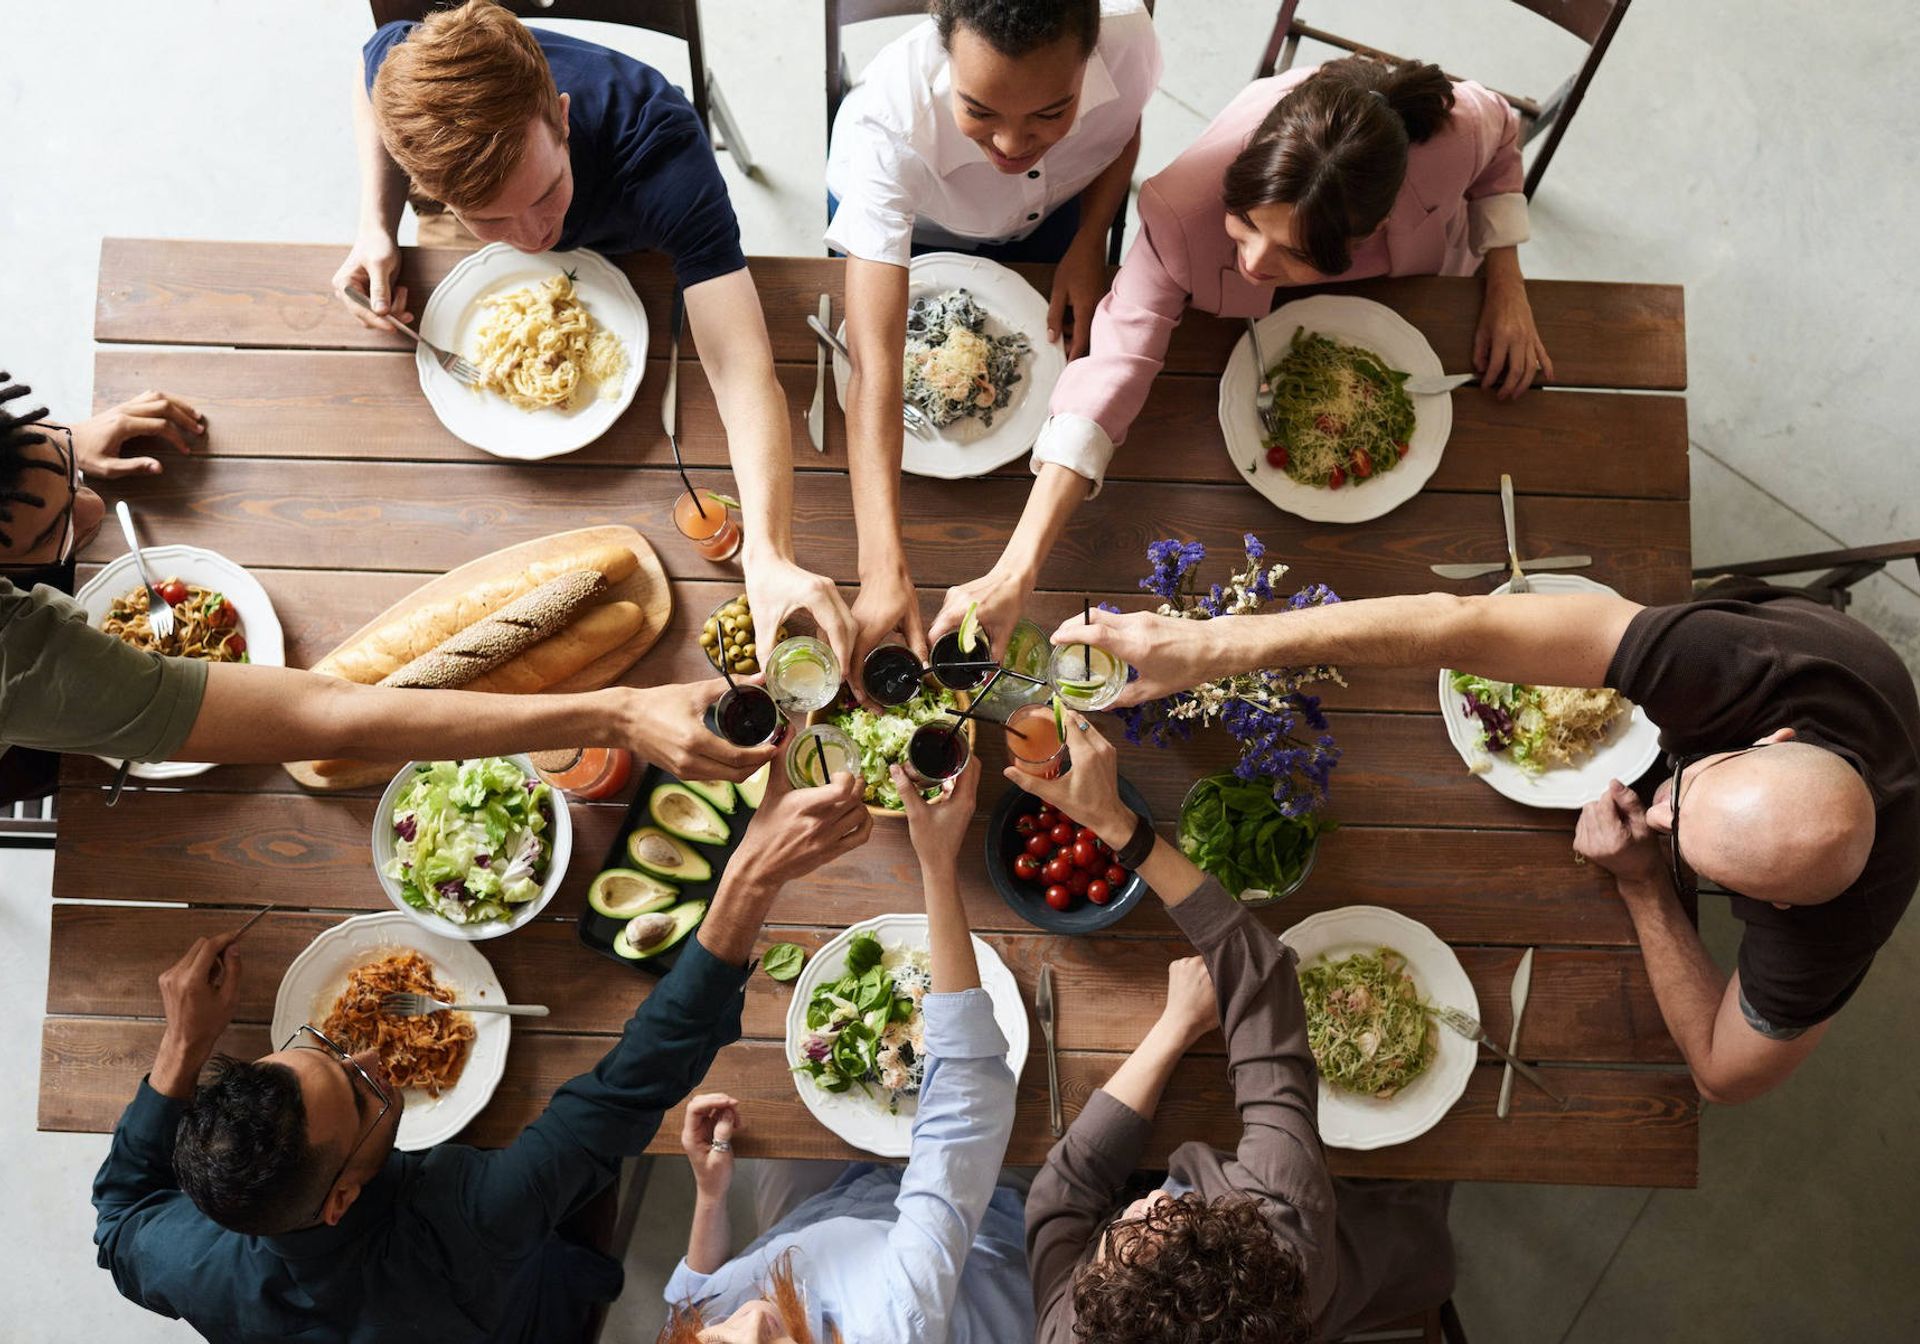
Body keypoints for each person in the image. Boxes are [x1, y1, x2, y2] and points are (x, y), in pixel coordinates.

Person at [1049, 578, 1920, 1104]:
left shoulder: (1835, 930)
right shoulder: (1740, 667)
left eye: (1680, 841)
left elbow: (1723, 1076)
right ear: (1771, 740)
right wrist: (1214, 644)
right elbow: (1459, 622)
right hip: (1787, 642)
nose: (1652, 814)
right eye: (1681, 796)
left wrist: (1645, 886)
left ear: (1771, 907)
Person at [92, 766, 874, 1343]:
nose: (370, 1056)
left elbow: (118, 1217)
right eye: (364, 1096)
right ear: (337, 1200)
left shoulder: (190, 1259)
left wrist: (183, 1045)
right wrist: (751, 875)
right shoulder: (467, 1222)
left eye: (325, 1051)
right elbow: (634, 1082)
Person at [932, 55, 1549, 663]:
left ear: (1372, 230)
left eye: (1293, 253)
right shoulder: (1181, 209)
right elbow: (1114, 363)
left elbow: (1502, 142)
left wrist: (1506, 278)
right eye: (1247, 223)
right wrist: (1016, 568)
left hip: (1416, 301)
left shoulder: (1455, 136)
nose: (1253, 262)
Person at [332, 0, 853, 670]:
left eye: (545, 193)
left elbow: (740, 362)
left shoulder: (661, 150)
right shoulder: (414, 79)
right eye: (490, 220)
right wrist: (375, 223)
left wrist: (768, 552)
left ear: (563, 118)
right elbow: (371, 58)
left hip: (636, 247)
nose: (532, 240)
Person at [0, 376, 779, 793]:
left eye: (68, 473)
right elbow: (330, 718)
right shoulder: (17, 664)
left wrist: (48, 455)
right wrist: (622, 716)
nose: (100, 510)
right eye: (55, 536)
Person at [1017, 718, 1453, 1341]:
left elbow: (1061, 1194)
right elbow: (1263, 977)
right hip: (1380, 1247)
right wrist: (1120, 827)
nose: (1144, 1204)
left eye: (1118, 1239)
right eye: (1166, 1222)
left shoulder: (1074, 1330)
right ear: (1236, 1243)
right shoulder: (1286, 1230)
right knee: (1411, 1209)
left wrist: (1173, 1029)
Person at [828, 0, 1159, 682]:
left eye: (1050, 113)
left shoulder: (1129, 39)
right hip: (920, 223)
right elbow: (877, 372)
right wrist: (880, 568)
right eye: (980, 111)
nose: (1012, 145)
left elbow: (1122, 131)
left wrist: (1090, 240)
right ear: (943, 48)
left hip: (1059, 215)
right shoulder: (886, 127)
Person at [658, 757, 1032, 1342]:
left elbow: (692, 1300)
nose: (753, 1318)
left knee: (780, 1121)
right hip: (986, 1235)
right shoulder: (894, 1320)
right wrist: (936, 863)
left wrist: (711, 1197)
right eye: (771, 1342)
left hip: (830, 1217)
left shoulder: (710, 1324)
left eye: (720, 1339)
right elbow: (965, 1108)